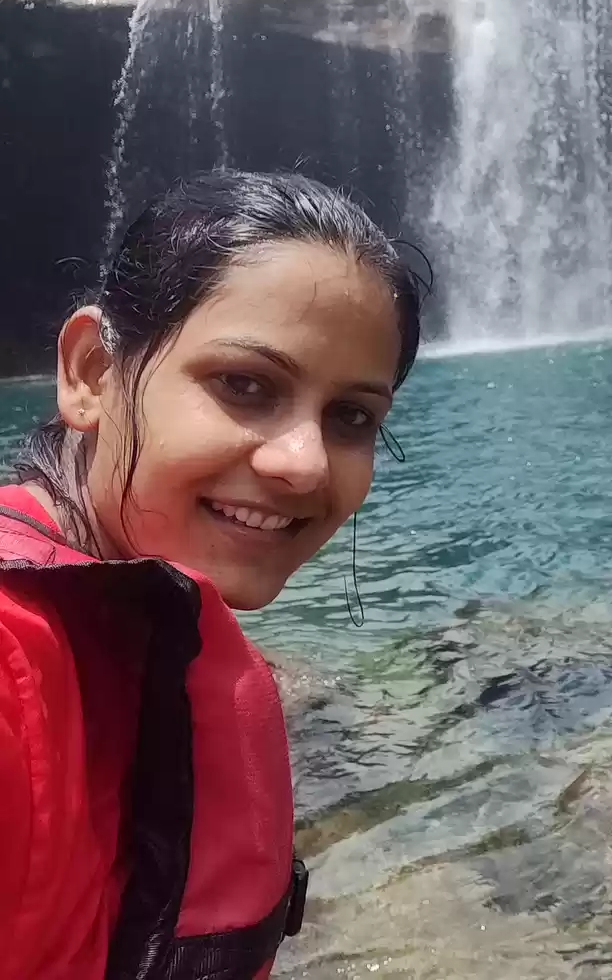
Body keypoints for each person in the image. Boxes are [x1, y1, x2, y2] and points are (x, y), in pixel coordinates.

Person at [0, 170, 424, 980]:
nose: (303, 463)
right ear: (91, 372)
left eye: (353, 417)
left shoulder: (149, 625)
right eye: (245, 385)